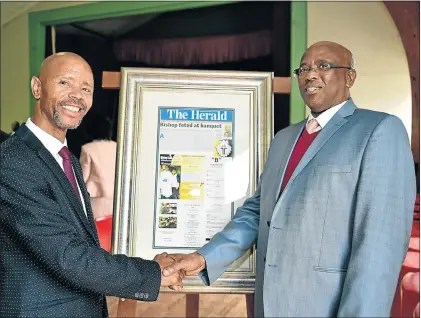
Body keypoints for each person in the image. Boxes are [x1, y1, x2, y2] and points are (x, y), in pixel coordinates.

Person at [162, 41, 417, 317]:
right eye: (303, 69)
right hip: (268, 304)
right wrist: (203, 258)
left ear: (350, 77)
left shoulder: (378, 130)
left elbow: (378, 246)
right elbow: (258, 212)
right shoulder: (283, 139)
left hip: (326, 305)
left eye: (324, 66)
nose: (310, 74)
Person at [0, 52, 182, 318]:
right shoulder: (13, 160)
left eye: (86, 88)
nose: (77, 95)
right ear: (37, 87)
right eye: (64, 83)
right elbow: (67, 256)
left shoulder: (67, 158)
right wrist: (153, 273)